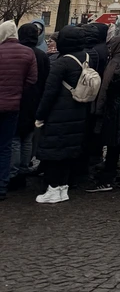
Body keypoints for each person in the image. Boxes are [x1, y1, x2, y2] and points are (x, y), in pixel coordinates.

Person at [34, 24, 93, 204]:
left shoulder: (61, 63)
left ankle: (52, 189)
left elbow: (49, 92)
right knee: (69, 151)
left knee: (53, 152)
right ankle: (63, 188)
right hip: (79, 110)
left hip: (58, 113)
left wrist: (40, 115)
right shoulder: (87, 57)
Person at [88, 13, 120, 191]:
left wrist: (100, 107)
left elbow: (111, 81)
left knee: (114, 141)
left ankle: (107, 178)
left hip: (118, 105)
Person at [9, 22, 50, 192]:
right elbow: (46, 78)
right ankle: (24, 170)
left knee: (15, 138)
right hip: (35, 100)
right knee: (27, 137)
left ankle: (14, 173)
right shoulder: (42, 55)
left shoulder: (17, 53)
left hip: (18, 99)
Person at [0, 20, 38, 200]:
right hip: (14, 105)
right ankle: (2, 186)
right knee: (6, 146)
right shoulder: (28, 52)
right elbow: (32, 80)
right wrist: (16, 91)